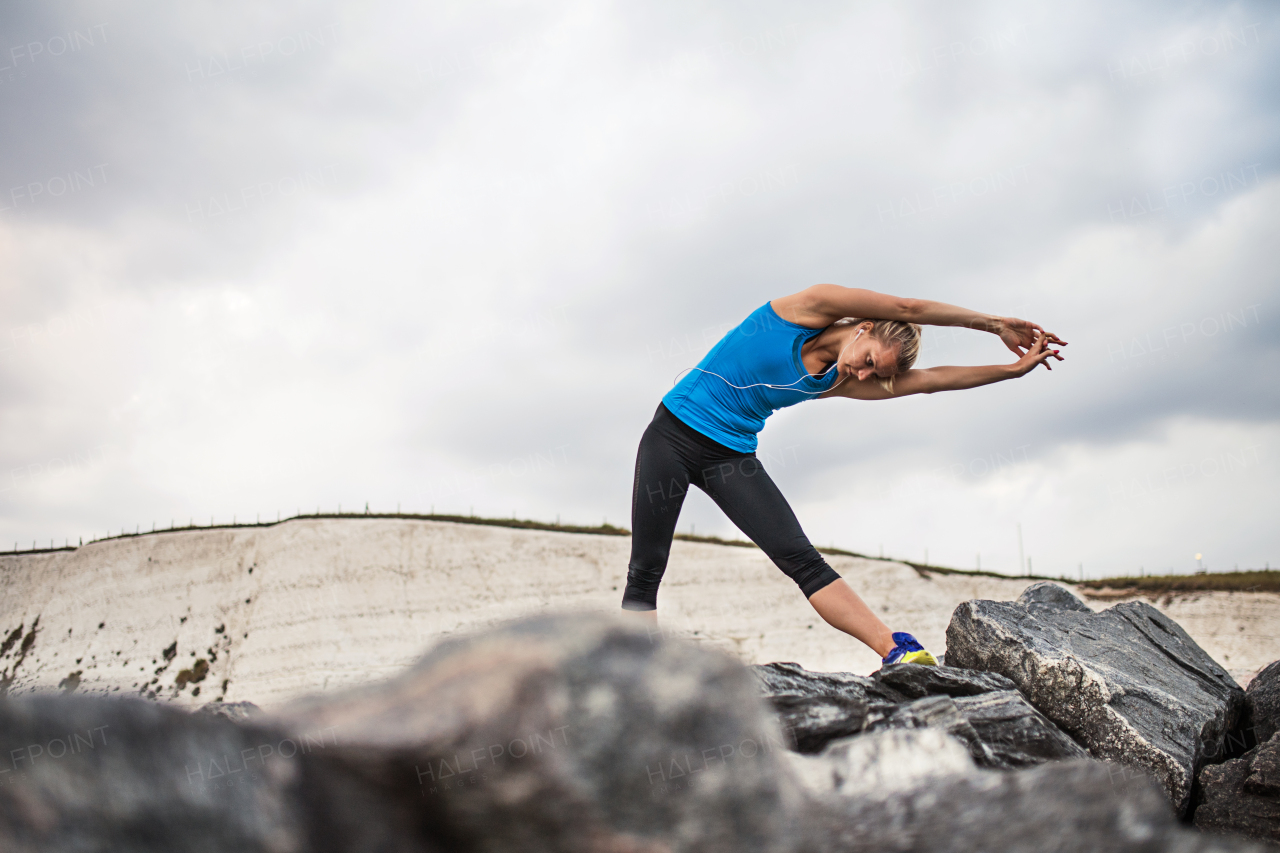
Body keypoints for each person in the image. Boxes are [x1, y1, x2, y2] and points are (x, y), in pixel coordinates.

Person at [621, 284, 1065, 666]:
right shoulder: (807, 309)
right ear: (864, 327)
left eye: (878, 374)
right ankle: (634, 671)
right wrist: (993, 324)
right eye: (870, 359)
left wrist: (1010, 371)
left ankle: (896, 649)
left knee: (802, 559)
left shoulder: (841, 380)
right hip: (673, 435)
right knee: (646, 569)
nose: (865, 372)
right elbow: (908, 309)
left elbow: (932, 380)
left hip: (731, 457)